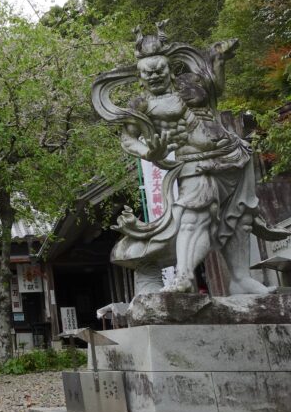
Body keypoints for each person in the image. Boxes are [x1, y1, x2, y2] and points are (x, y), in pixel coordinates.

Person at [92, 24, 287, 295]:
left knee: (240, 216)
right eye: (148, 73)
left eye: (160, 69)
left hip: (233, 155)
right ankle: (183, 277)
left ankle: (240, 278)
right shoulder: (142, 105)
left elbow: (216, 90)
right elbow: (128, 140)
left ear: (170, 69)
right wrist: (150, 152)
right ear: (140, 78)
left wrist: (219, 60)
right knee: (196, 215)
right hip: (194, 162)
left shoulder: (190, 85)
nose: (155, 76)